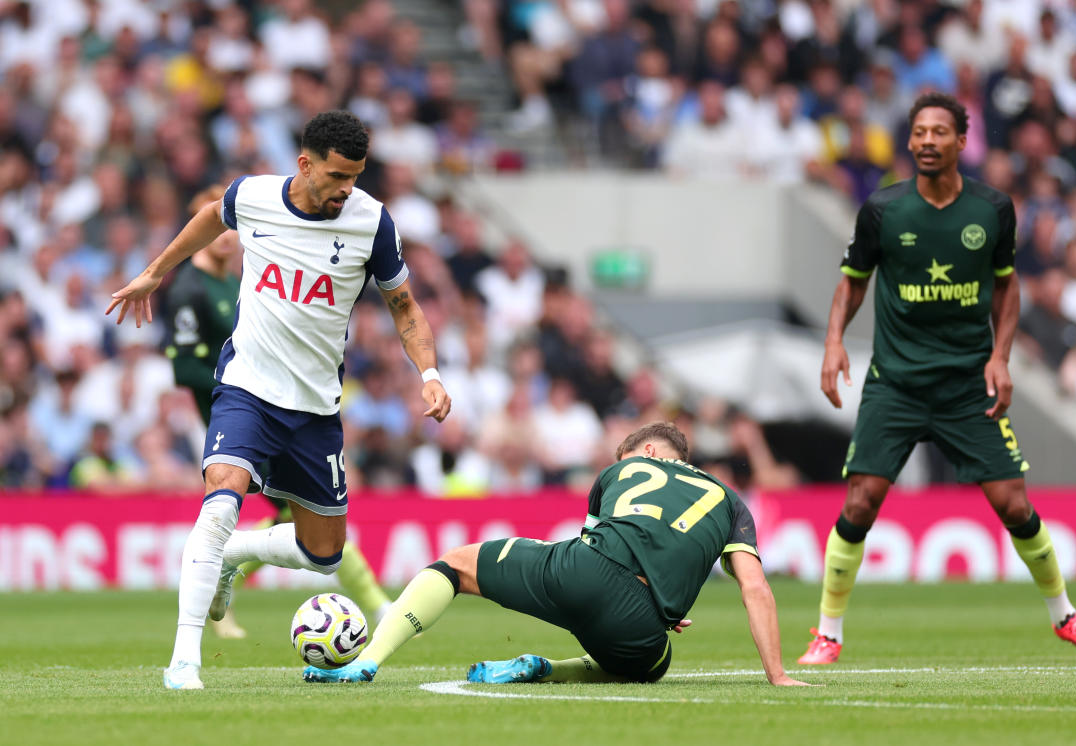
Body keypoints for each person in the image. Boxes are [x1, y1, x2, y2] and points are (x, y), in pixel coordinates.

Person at [107, 110, 452, 690]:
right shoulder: (254, 197)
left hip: (316, 407)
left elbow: (406, 307)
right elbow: (209, 218)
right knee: (220, 499)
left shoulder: (373, 223)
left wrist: (430, 373)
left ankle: (237, 554)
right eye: (338, 176)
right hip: (247, 386)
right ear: (305, 163)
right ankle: (184, 661)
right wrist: (154, 273)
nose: (348, 188)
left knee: (325, 556)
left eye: (356, 176)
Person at [799, 92, 1076, 665]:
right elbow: (853, 280)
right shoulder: (882, 210)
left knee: (1013, 504)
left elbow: (1006, 285)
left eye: (938, 132)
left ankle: (1066, 617)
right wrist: (832, 342)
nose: (926, 141)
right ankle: (828, 633)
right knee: (862, 501)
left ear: (960, 141)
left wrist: (1001, 357)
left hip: (968, 383)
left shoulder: (991, 209)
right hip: (895, 383)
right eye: (918, 131)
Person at [302, 421, 807, 687]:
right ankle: (547, 668)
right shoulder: (730, 500)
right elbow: (756, 588)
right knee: (652, 665)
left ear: (649, 454)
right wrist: (777, 676)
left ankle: (366, 661)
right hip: (640, 624)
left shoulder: (619, 473)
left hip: (578, 573)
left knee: (455, 565)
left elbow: (598, 544)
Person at [162, 187, 393, 640]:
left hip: (277, 406)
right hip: (240, 410)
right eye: (215, 232)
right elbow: (183, 366)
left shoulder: (235, 279)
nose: (226, 239)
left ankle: (224, 578)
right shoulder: (188, 289)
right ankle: (376, 604)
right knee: (289, 515)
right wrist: (243, 386)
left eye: (229, 233)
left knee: (300, 520)